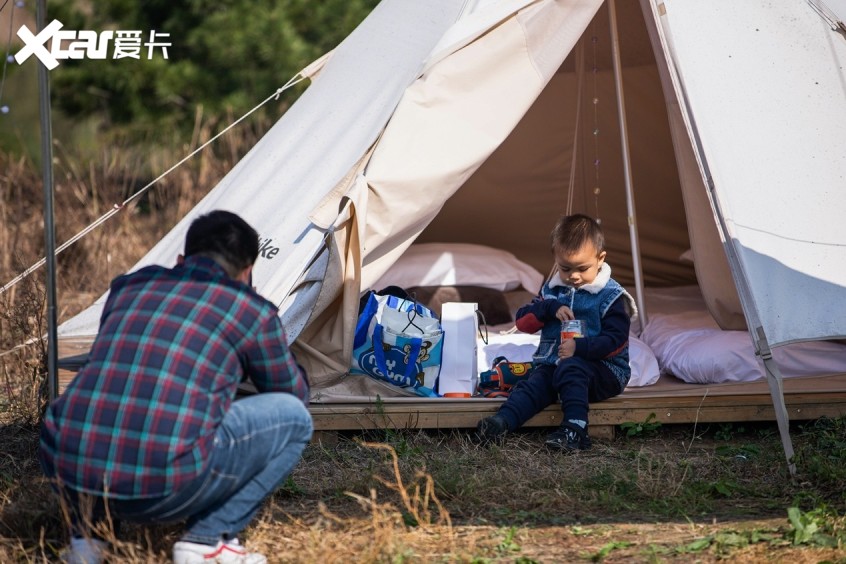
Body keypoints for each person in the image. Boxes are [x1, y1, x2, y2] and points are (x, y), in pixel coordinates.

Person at [39, 210, 312, 564]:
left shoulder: (130, 286)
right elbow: (292, 395)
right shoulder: (250, 310)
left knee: (114, 408)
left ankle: (87, 541)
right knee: (295, 420)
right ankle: (206, 542)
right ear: (247, 272)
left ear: (181, 260)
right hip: (163, 484)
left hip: (67, 467)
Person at [475, 214, 636, 451]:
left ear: (600, 259)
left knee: (572, 367)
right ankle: (501, 422)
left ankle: (575, 429)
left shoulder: (611, 296)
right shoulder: (552, 292)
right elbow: (523, 322)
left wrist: (579, 348)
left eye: (583, 268)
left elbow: (616, 341)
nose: (574, 276)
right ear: (555, 260)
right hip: (557, 366)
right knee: (536, 381)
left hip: (605, 372)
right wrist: (548, 308)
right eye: (565, 268)